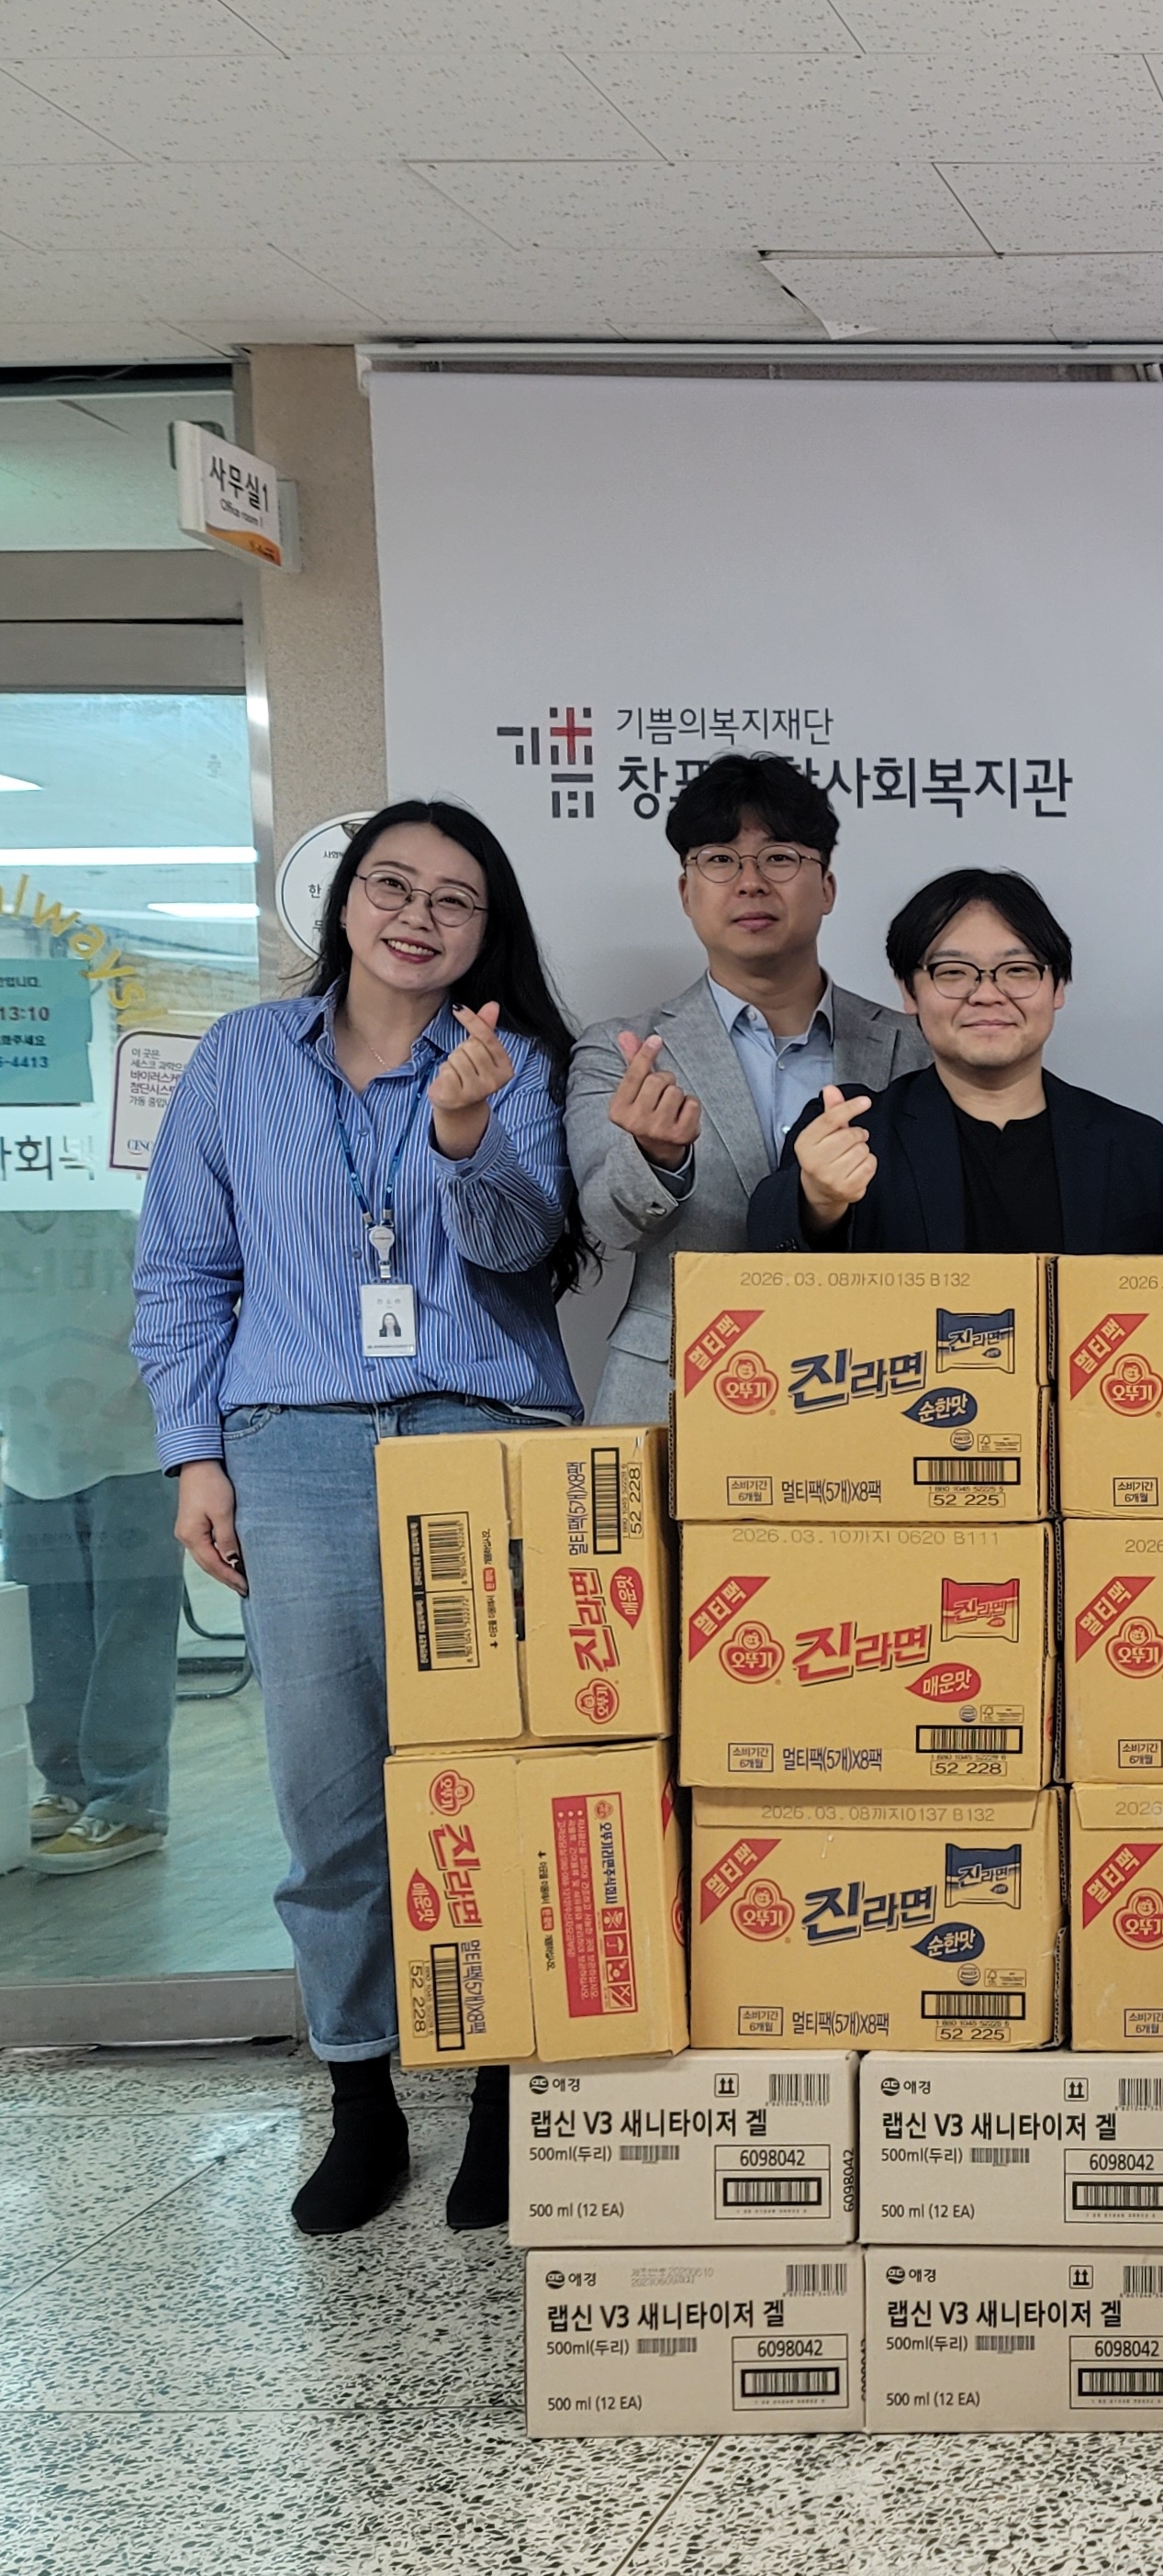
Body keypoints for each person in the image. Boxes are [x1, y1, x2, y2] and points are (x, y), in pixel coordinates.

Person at [131, 799, 587, 2238]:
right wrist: (194, 1455)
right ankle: (362, 2097)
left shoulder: (516, 1061)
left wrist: (462, 1129)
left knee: (497, 1784)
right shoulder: (238, 1059)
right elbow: (182, 1269)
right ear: (343, 901)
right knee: (329, 1795)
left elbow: (527, 1252)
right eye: (392, 884)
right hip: (298, 1443)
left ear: (484, 929)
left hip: (481, 1433)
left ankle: (505, 2093)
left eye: (453, 899)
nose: (416, 916)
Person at [565, 753, 927, 1422]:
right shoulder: (623, 1050)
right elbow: (606, 1225)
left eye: (780, 858)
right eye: (720, 860)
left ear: (827, 887)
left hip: (870, 1383)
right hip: (675, 1386)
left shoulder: (914, 1047)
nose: (751, 882)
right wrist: (657, 1158)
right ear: (686, 892)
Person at [747, 867, 1163, 1255]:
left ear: (1058, 987)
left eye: (1018, 970)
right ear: (909, 992)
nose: (987, 995)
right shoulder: (852, 1132)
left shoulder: (1139, 1149)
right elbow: (770, 1275)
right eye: (953, 972)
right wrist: (817, 1203)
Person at [5, 1210, 185, 1875]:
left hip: (135, 1447)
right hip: (32, 1451)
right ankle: (68, 1785)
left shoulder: (117, 1203)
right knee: (47, 1632)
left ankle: (128, 1800)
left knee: (129, 1632)